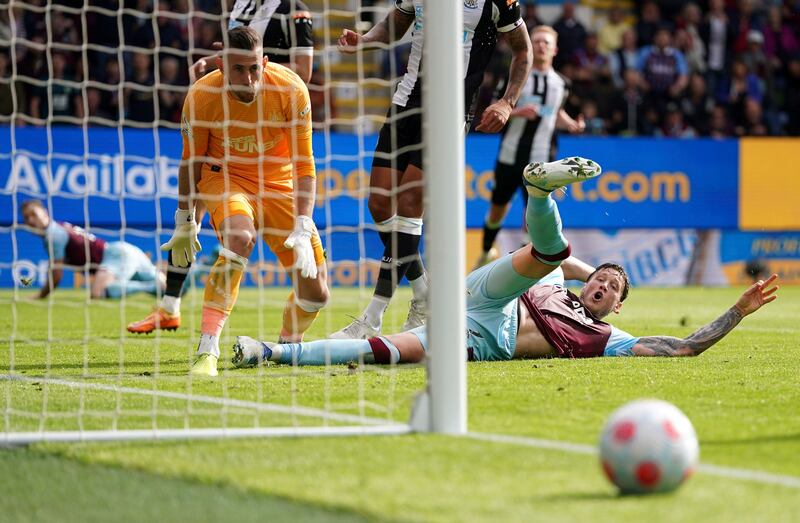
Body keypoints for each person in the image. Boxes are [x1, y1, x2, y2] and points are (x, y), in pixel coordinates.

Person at [231, 157, 779, 366]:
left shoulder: (608, 340)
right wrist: (579, 269)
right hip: (492, 296)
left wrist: (738, 310)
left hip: (481, 339)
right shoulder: (564, 285)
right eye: (604, 279)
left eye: (613, 289)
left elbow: (683, 346)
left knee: (382, 354)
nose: (605, 288)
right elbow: (567, 270)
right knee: (548, 259)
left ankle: (274, 352)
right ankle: (538, 193)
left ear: (615, 308)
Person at [330, 0, 533, 340]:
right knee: (379, 206)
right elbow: (396, 24)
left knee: (410, 205)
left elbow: (522, 50)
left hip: (450, 110)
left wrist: (505, 102)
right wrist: (366, 40)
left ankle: (371, 319)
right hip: (405, 101)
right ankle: (425, 294)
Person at [127, 0, 314, 335]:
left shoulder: (292, 9)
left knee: (199, 214)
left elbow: (303, 69)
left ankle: (172, 306)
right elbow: (236, 52)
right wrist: (219, 64)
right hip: (227, 117)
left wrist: (243, 66)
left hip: (266, 122)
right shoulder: (241, 5)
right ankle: (171, 305)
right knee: (188, 219)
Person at [162, 26, 328, 377]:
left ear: (264, 61)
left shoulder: (291, 89)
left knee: (316, 294)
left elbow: (305, 165)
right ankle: (208, 348)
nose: (249, 78)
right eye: (238, 69)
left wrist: (302, 223)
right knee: (240, 238)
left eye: (254, 68)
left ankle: (283, 346)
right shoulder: (202, 95)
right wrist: (184, 218)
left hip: (280, 184)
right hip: (227, 178)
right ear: (221, 64)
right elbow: (191, 163)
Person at [474, 25, 584, 269]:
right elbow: (493, 109)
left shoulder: (561, 84)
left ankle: (524, 262)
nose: (541, 45)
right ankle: (485, 251)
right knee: (497, 209)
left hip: (540, 160)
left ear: (555, 49)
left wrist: (571, 125)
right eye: (537, 41)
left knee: (533, 212)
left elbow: (556, 113)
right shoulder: (516, 76)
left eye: (546, 42)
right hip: (510, 154)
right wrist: (517, 112)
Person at [21, 200, 165, 300]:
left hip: (116, 256)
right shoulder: (59, 228)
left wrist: (40, 296)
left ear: (45, 213)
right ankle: (177, 281)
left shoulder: (53, 235)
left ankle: (152, 286)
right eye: (27, 218)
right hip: (125, 252)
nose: (31, 220)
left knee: (98, 292)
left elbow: (56, 274)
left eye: (34, 214)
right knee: (167, 288)